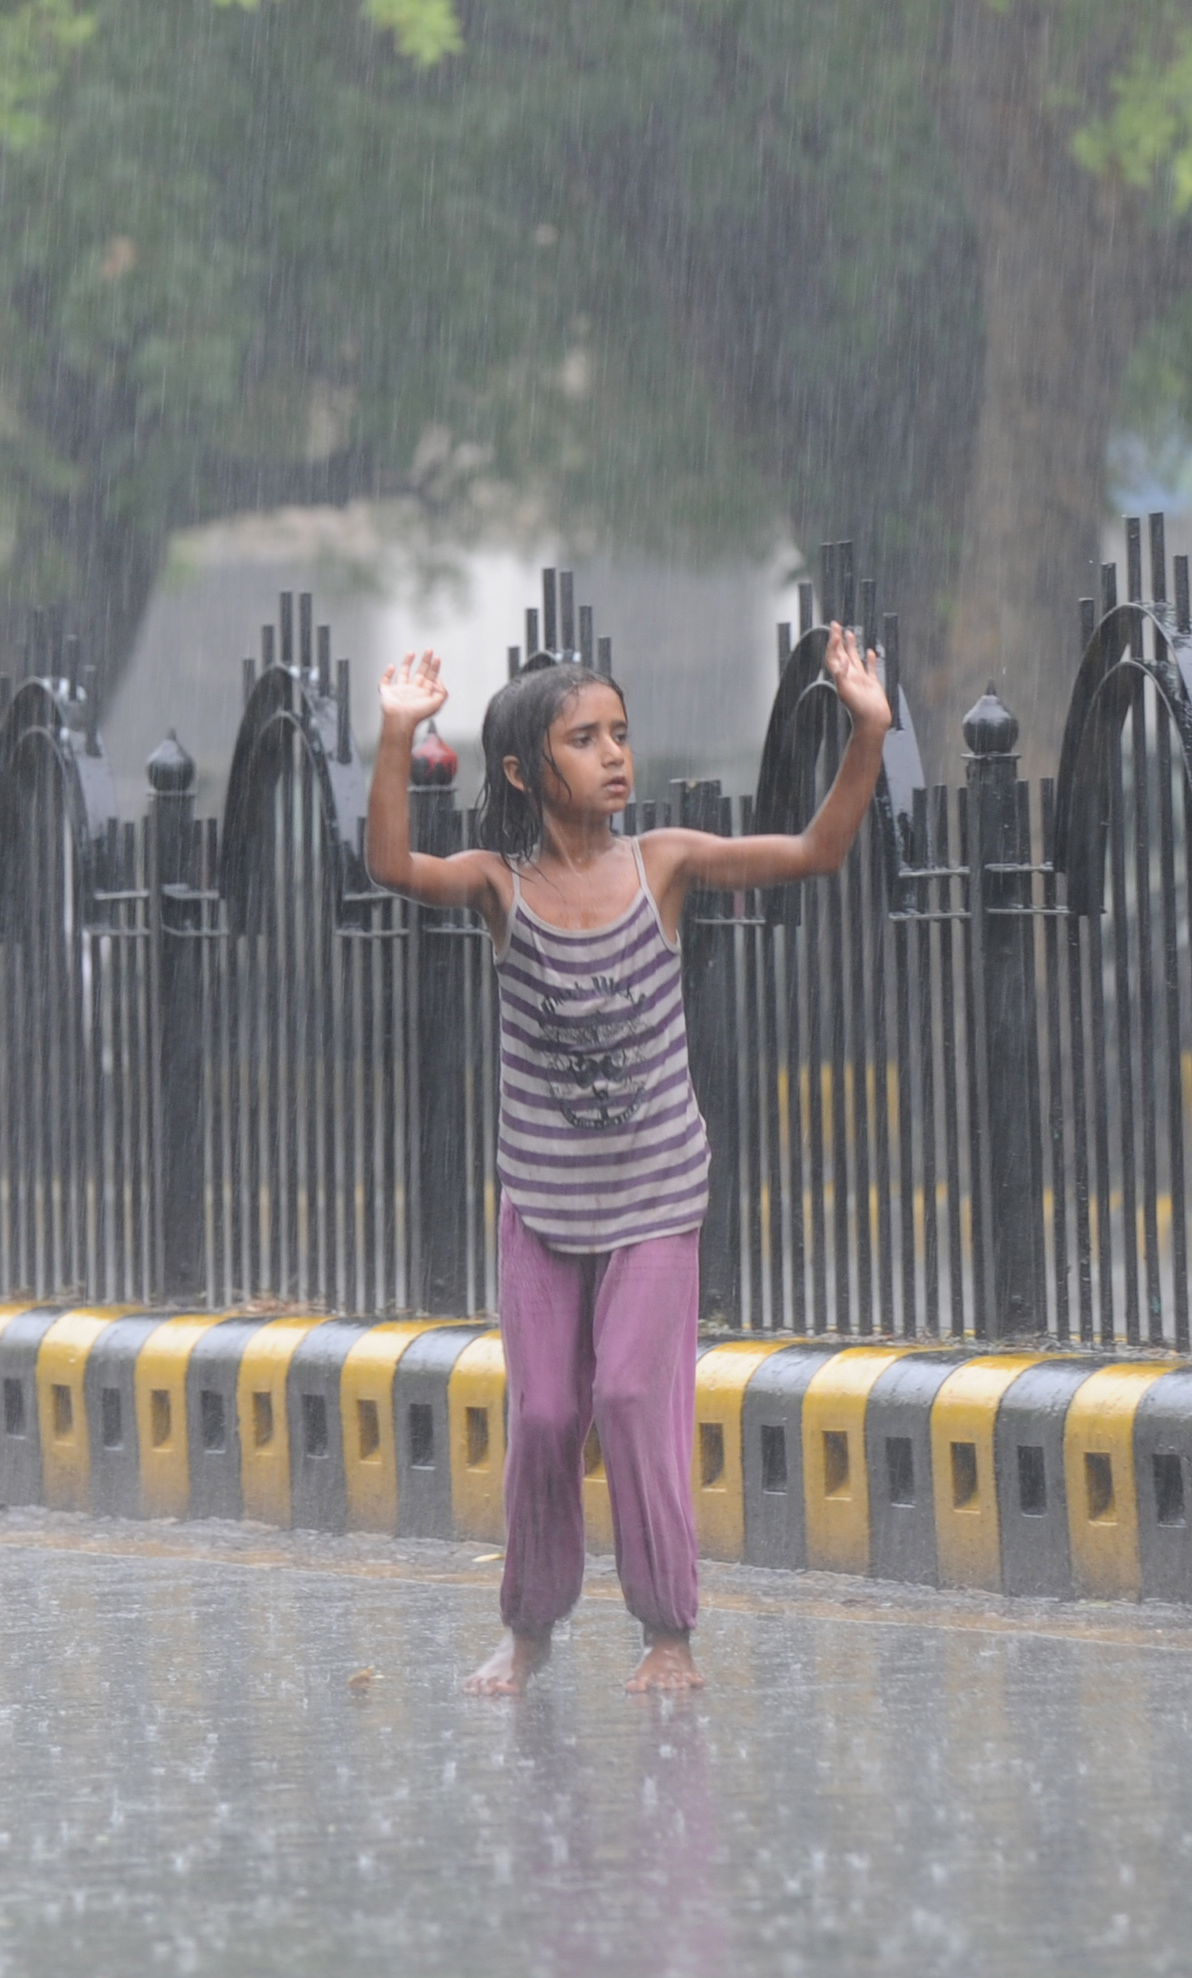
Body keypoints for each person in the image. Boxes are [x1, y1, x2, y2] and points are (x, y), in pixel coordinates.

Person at [365, 624, 897, 1696]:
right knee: (548, 1415)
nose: (615, 755)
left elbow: (817, 852)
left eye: (620, 734)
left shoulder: (666, 864)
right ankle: (528, 1631)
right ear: (524, 770)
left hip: (656, 1190)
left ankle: (669, 1633)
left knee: (629, 1398)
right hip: (543, 1197)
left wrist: (870, 732)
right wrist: (393, 736)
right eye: (583, 739)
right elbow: (389, 863)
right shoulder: (498, 887)